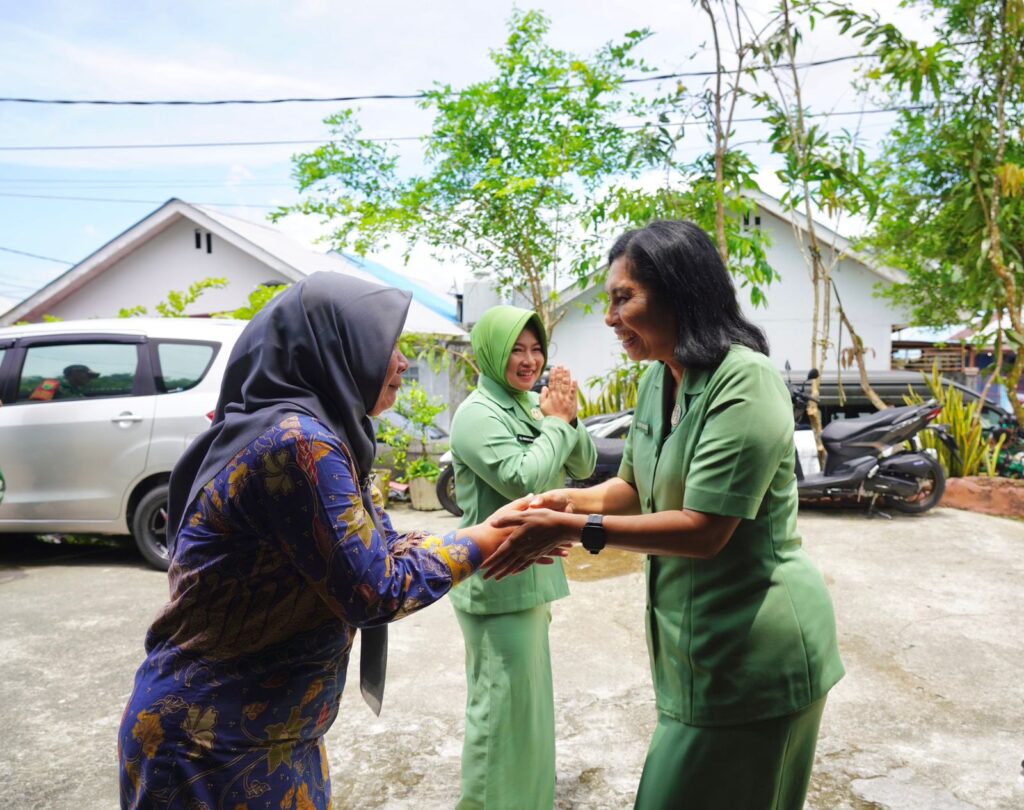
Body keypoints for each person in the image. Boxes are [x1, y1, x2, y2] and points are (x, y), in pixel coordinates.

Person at [116, 273, 520, 810]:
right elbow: (374, 589)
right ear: (333, 350)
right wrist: (486, 539)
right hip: (213, 741)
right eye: (386, 344)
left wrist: (482, 532)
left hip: (268, 732)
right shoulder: (298, 444)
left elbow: (381, 548)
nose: (401, 362)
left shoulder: (319, 433)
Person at [486, 221, 845, 810]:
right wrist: (563, 501)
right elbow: (632, 486)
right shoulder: (658, 379)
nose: (610, 318)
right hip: (692, 656)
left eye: (623, 298)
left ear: (679, 291)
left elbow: (705, 530)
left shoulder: (745, 381)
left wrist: (576, 529)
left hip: (756, 657)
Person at [448, 305, 597, 809]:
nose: (529, 360)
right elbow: (523, 480)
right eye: (516, 349)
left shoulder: (532, 404)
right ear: (492, 353)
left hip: (533, 579)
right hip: (495, 582)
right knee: (498, 719)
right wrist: (555, 424)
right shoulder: (477, 414)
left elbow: (584, 465)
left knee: (528, 716)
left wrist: (567, 416)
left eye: (536, 349)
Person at [28, 363, 99, 400]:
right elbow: (36, 405)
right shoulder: (51, 386)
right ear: (75, 374)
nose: (89, 379)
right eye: (88, 375)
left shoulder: (77, 391)